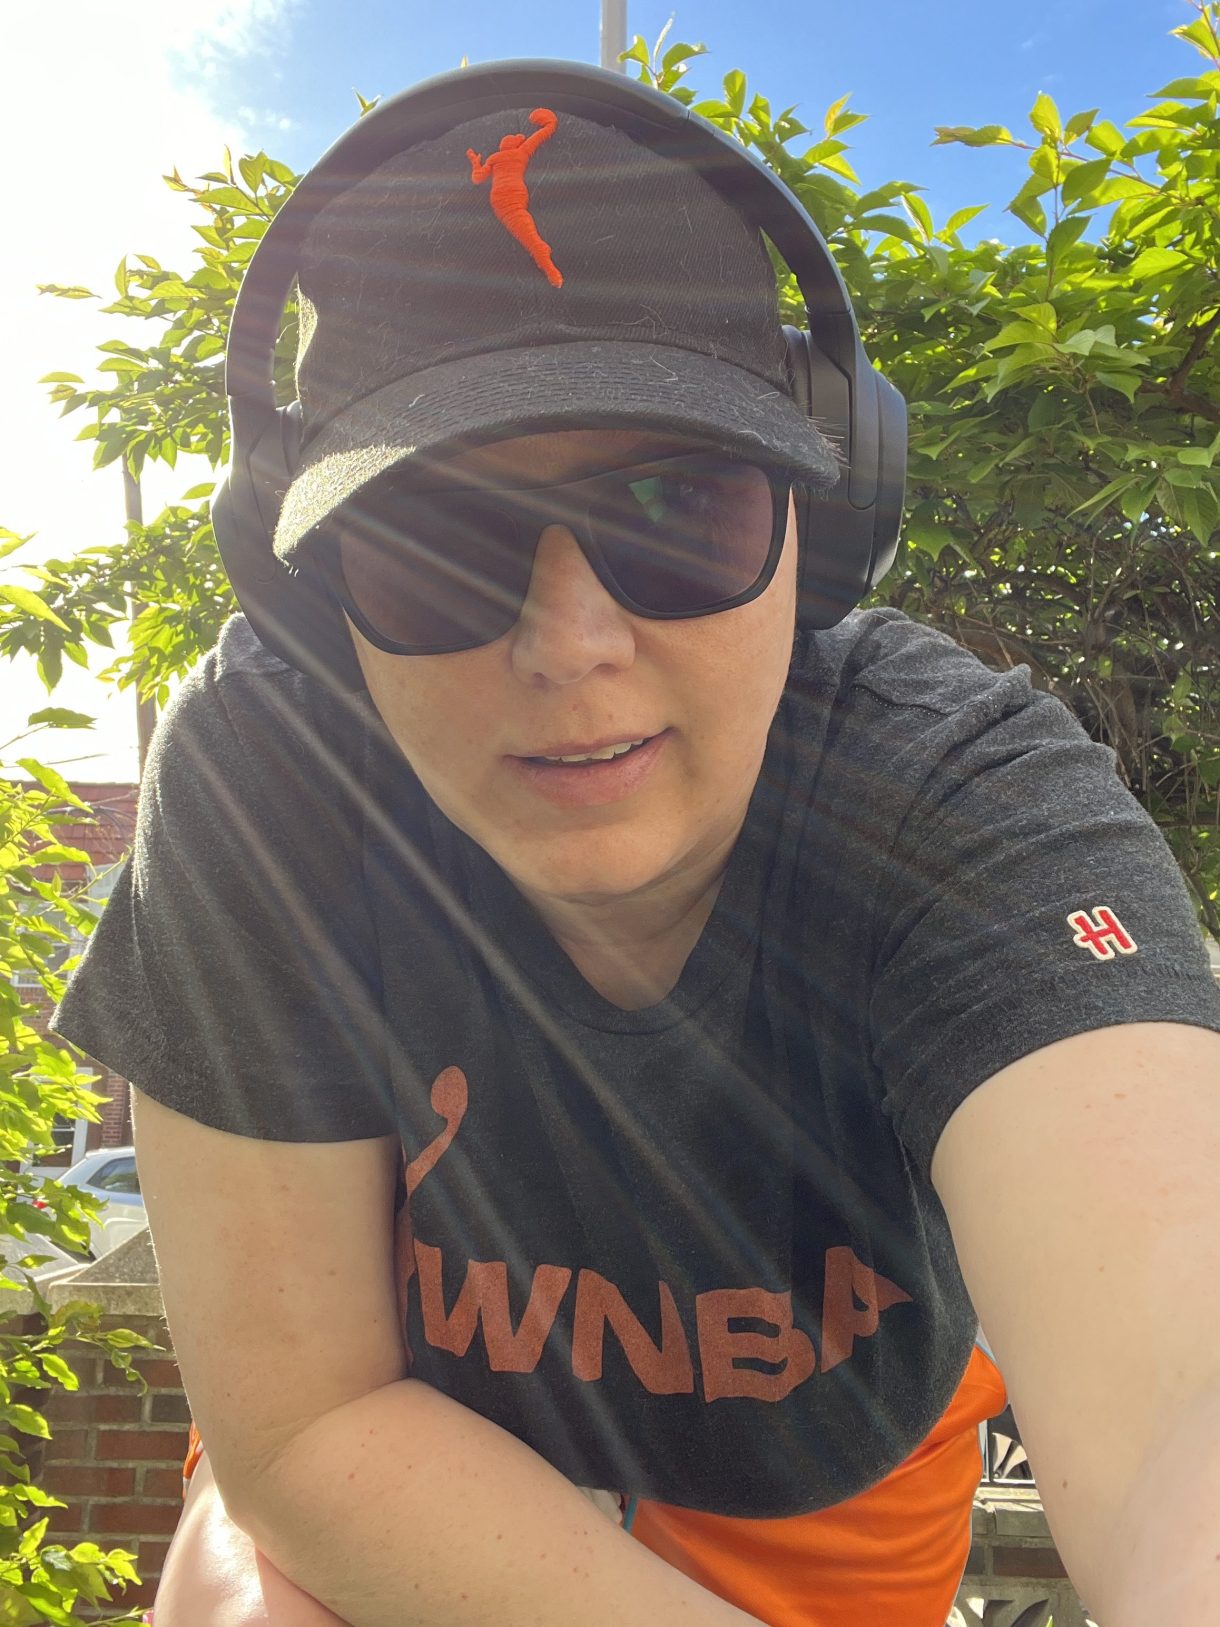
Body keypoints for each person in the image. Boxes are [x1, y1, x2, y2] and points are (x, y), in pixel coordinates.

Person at [54, 59, 1220, 1627]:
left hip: (827, 1472)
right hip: (396, 1426)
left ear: (830, 517)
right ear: (311, 590)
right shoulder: (270, 771)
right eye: (438, 541)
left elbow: (1180, 1413)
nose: (571, 641)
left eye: (674, 504)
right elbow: (307, 1428)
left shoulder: (959, 791)